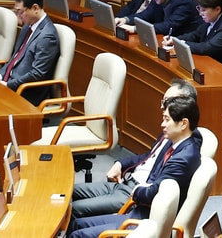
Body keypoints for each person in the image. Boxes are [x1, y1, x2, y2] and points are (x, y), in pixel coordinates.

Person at [68, 92, 203, 238]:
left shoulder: (184, 157)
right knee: (76, 225)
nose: (162, 124)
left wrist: (137, 191)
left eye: (167, 119)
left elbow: (155, 192)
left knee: (78, 234)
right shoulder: (178, 142)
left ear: (183, 124)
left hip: (144, 221)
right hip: (139, 210)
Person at [0, 0, 61, 105]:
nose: (18, 17)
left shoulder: (47, 36)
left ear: (35, 8)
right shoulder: (27, 27)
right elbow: (15, 57)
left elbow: (37, 74)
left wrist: (8, 85)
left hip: (26, 94)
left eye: (21, 12)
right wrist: (0, 74)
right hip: (10, 85)